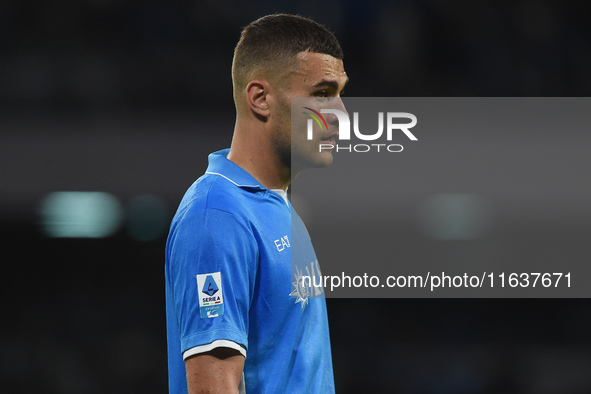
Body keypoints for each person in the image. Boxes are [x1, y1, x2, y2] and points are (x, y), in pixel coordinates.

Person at [165, 14, 348, 394]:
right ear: (261, 99)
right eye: (322, 94)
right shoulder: (217, 215)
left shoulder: (276, 207)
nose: (341, 116)